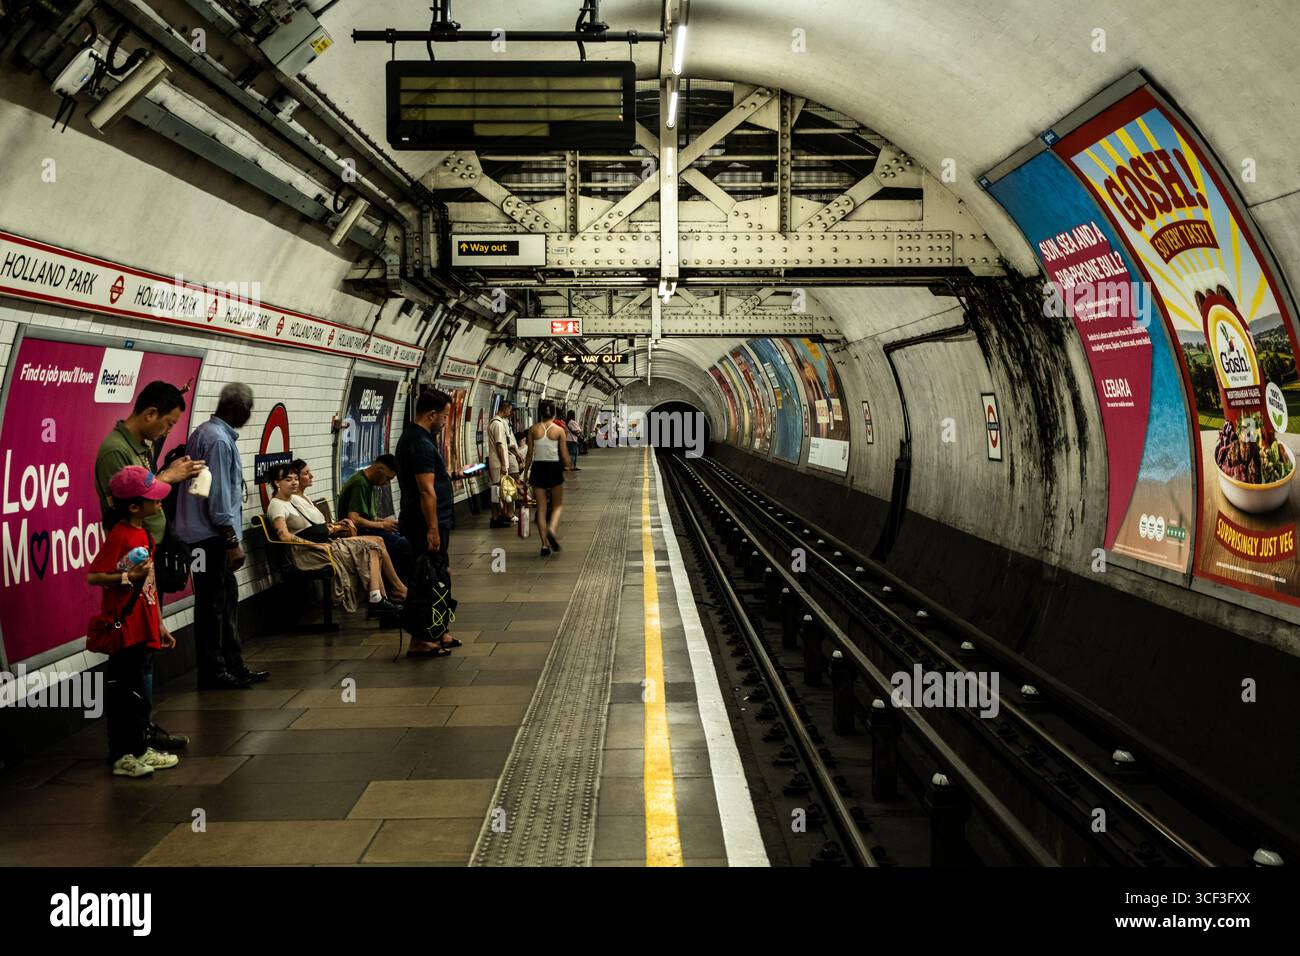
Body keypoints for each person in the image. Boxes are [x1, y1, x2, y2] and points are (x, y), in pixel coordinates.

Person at [94, 380, 203, 751]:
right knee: (133, 655)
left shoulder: (143, 445)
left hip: (148, 550)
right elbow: (121, 501)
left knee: (147, 647)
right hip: (135, 560)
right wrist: (167, 478)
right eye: (168, 423)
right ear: (150, 413)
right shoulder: (114, 451)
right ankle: (130, 738)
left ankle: (142, 726)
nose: (168, 430)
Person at [87, 466, 182, 778]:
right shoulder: (120, 535)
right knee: (123, 693)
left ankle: (140, 747)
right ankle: (122, 754)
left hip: (144, 625)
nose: (159, 503)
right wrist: (128, 575)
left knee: (139, 693)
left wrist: (159, 624)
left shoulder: (143, 534)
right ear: (133, 506)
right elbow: (96, 575)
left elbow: (150, 583)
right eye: (153, 499)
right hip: (124, 627)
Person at [174, 383, 269, 690]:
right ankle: (214, 671)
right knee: (212, 605)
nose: (248, 416)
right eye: (248, 410)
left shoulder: (207, 434)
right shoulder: (217, 441)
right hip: (211, 537)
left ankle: (232, 665)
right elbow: (217, 497)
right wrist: (231, 541)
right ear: (238, 408)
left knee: (223, 601)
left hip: (205, 536)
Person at [266, 464, 406, 613]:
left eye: (295, 478)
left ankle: (379, 598)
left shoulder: (292, 500)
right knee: (371, 547)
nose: (294, 482)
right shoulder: (277, 505)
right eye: (288, 480)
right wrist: (316, 546)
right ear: (276, 483)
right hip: (304, 553)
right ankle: (382, 598)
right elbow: (284, 535)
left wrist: (332, 528)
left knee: (373, 546)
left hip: (320, 545)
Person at [396, 389, 458, 657]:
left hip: (432, 521)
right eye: (443, 416)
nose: (444, 421)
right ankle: (420, 640)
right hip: (424, 524)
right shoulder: (419, 443)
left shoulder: (419, 439)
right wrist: (432, 529)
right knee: (425, 580)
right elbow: (425, 490)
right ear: (431, 414)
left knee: (439, 575)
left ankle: (438, 629)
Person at [338, 454, 411, 577]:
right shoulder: (360, 484)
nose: (386, 483)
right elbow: (353, 519)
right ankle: (400, 585)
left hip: (364, 528)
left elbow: (369, 516)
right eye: (387, 478)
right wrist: (382, 525)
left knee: (406, 535)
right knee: (402, 544)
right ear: (380, 469)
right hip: (356, 532)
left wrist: (385, 522)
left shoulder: (368, 483)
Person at [523, 399, 572, 557]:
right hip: (553, 468)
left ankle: (544, 545)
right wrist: (568, 465)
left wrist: (525, 473)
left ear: (540, 412)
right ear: (554, 412)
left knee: (541, 509)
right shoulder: (559, 430)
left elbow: (529, 454)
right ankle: (551, 529)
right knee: (557, 506)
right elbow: (564, 455)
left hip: (538, 468)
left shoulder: (533, 429)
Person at [487, 400, 514, 528]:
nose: (510, 412)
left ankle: (498, 515)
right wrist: (504, 464)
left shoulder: (495, 422)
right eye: (509, 410)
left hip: (497, 462)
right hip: (498, 463)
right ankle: (495, 517)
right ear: (505, 409)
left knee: (497, 490)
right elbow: (499, 445)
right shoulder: (497, 424)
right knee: (497, 490)